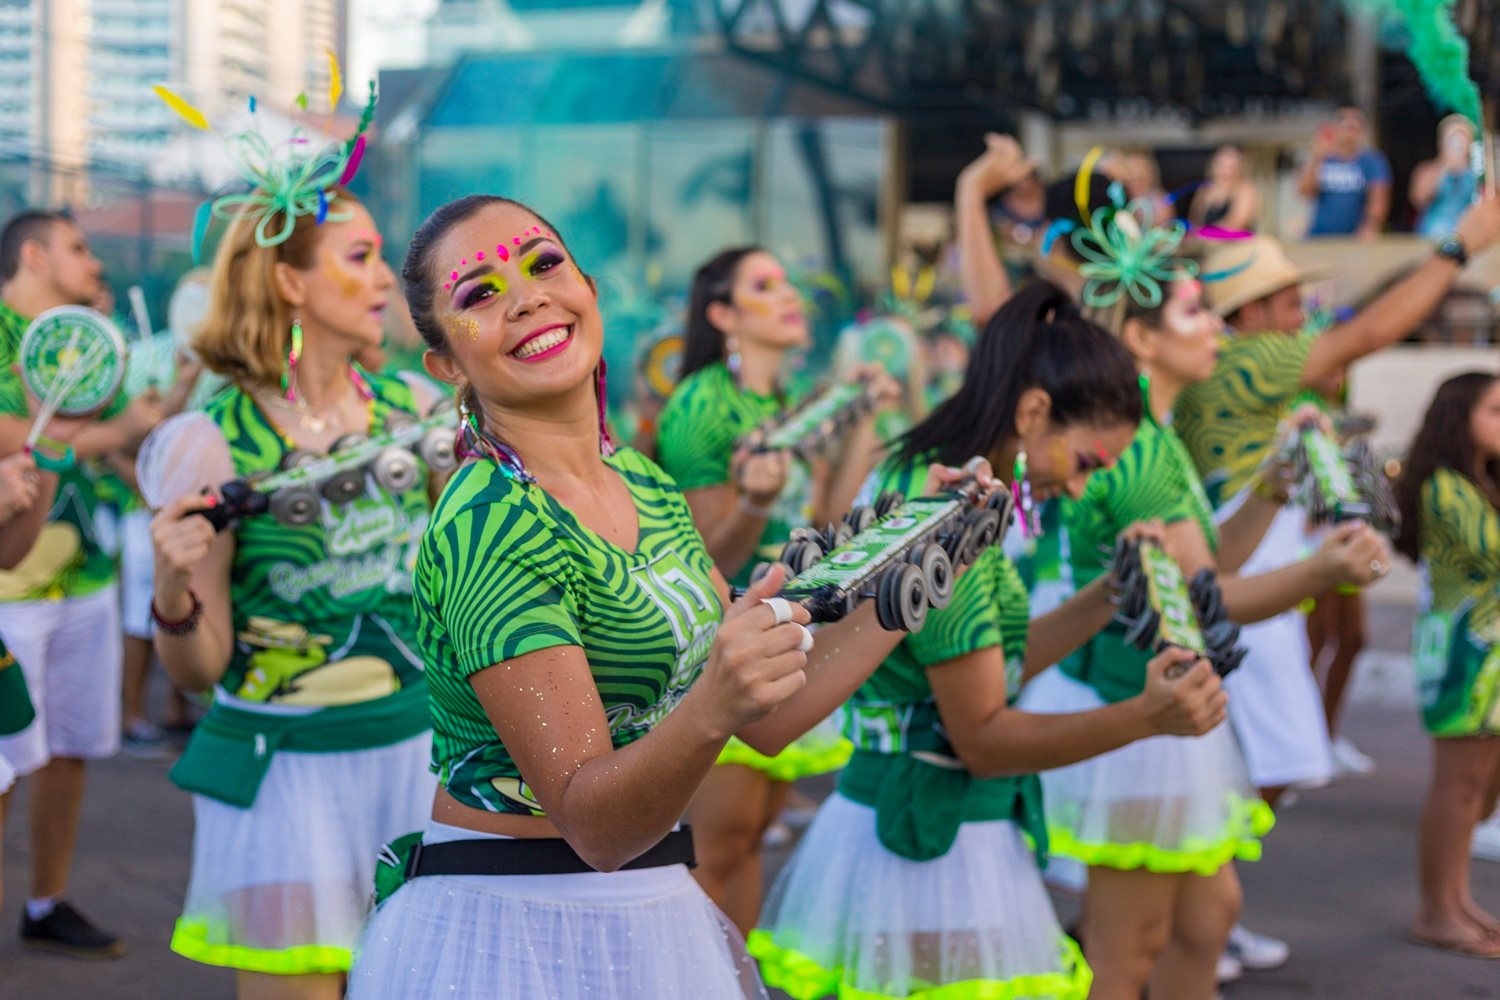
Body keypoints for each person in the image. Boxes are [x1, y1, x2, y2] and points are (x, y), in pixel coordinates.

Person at [346, 193, 947, 999]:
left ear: (588, 290)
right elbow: (594, 823)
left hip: (648, 907)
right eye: (479, 294)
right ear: (448, 365)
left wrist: (923, 563)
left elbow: (766, 718)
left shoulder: (645, 484)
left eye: (544, 264)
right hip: (514, 926)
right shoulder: (489, 523)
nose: (526, 296)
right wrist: (713, 701)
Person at [750, 280, 1227, 999]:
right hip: (932, 854)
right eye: (1089, 461)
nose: (1082, 487)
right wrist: (1146, 718)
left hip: (918, 832)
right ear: (1035, 411)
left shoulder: (949, 486)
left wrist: (1109, 594)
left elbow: (991, 667)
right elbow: (983, 734)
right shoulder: (949, 510)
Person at [1018, 208, 1387, 996]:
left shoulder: (1157, 433)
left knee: (1205, 919)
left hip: (1161, 705)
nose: (1216, 328)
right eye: (1195, 312)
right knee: (1131, 947)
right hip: (1139, 710)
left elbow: (1204, 560)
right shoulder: (1140, 449)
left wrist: (1265, 491)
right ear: (1143, 342)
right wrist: (1320, 572)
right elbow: (1200, 596)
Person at [142, 76, 441, 996]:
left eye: (382, 255)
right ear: (289, 281)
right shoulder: (212, 443)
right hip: (287, 779)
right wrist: (171, 593)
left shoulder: (418, 413)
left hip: (418, 760)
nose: (385, 277)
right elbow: (198, 673)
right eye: (358, 257)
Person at [1173, 197, 1500, 967]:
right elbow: (1375, 332)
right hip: (1246, 585)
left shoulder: (1244, 360)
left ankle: (1203, 909)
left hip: (1256, 575)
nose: (1301, 313)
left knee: (1258, 763)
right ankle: (1187, 916)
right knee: (1250, 763)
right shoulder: (1250, 355)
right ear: (1248, 312)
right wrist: (1462, 245)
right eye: (1290, 301)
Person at [655, 246, 897, 933]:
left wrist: (864, 416)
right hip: (720, 645)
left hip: (781, 629)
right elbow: (701, 554)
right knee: (716, 845)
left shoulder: (778, 402)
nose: (790, 295)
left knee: (754, 831)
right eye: (765, 286)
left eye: (787, 282)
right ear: (723, 315)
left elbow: (823, 525)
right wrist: (755, 509)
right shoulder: (703, 404)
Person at [0, 209, 162, 959]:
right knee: (4, 763)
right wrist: (110, 433)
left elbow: (124, 423)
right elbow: (20, 437)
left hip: (85, 578)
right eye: (78, 247)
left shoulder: (85, 342)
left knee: (69, 748)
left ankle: (46, 901)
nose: (93, 262)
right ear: (33, 256)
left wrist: (114, 430)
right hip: (11, 593)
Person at [1393, 372, 1500, 958]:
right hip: (1464, 657)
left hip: (1488, 658)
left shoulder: (1481, 481)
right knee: (1458, 789)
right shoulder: (1445, 486)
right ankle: (1436, 910)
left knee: (1477, 788)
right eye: (1495, 410)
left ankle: (1456, 901)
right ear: (1459, 418)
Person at [1299, 105, 1392, 239]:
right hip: (1319, 236)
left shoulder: (1372, 161)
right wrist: (1316, 157)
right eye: (1344, 125)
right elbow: (1305, 191)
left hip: (1354, 238)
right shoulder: (1323, 159)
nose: (1348, 132)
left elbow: (1379, 197)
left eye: (1353, 127)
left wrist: (1370, 226)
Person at [1411, 115, 1480, 241]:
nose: (1457, 144)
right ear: (1441, 142)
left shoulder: (1478, 173)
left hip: (1467, 238)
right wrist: (1444, 166)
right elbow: (1419, 199)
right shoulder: (1427, 169)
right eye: (1452, 139)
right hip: (1431, 236)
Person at [1189, 144, 1260, 232]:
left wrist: (1206, 232)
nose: (1226, 171)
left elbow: (1236, 223)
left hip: (1234, 242)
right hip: (1207, 241)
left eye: (1232, 167)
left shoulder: (1245, 189)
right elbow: (1194, 219)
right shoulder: (1204, 189)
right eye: (1222, 165)